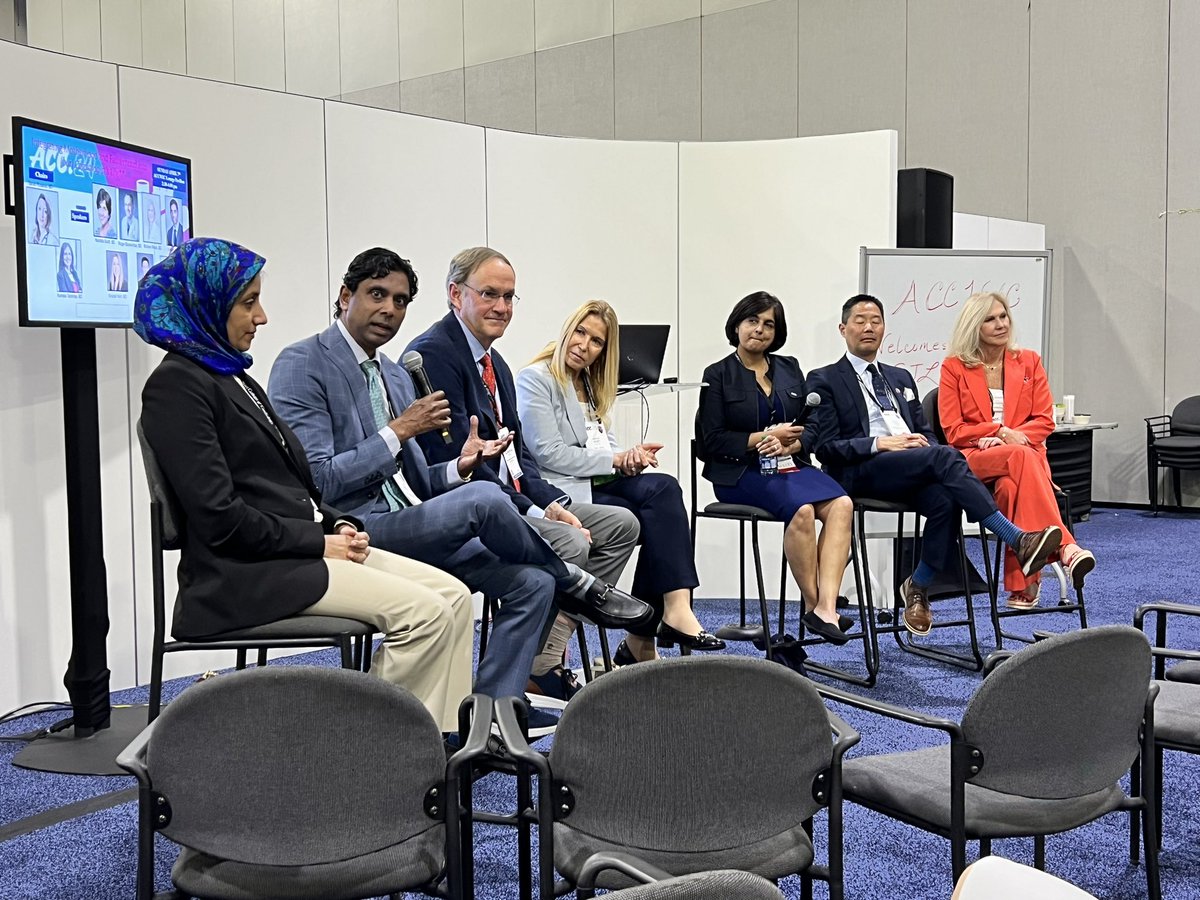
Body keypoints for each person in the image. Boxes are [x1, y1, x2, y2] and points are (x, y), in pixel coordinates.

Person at [270, 248, 652, 728]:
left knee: (531, 583)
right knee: (488, 500)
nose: (390, 309)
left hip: (411, 515)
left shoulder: (394, 371)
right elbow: (320, 481)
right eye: (376, 295)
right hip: (357, 529)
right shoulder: (303, 362)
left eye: (401, 300)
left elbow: (419, 480)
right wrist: (399, 431)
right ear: (345, 296)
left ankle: (492, 718)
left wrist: (462, 467)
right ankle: (576, 582)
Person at [133, 237, 473, 731]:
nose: (262, 316)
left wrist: (339, 525)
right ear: (204, 305)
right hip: (242, 574)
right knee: (423, 614)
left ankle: (438, 744)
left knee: (455, 597)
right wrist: (319, 541)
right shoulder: (177, 386)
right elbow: (219, 517)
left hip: (294, 552)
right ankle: (375, 753)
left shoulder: (231, 376)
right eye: (248, 303)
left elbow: (295, 486)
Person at [407, 248, 643, 690]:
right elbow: (461, 465)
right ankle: (520, 676)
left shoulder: (495, 363)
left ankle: (544, 653)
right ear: (455, 295)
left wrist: (550, 503)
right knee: (570, 543)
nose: (502, 307)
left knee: (621, 526)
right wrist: (537, 512)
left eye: (510, 297)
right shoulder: (434, 354)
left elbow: (522, 460)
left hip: (515, 497)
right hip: (469, 507)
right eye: (490, 294)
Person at [806, 294, 1063, 636]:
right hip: (864, 470)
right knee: (946, 456)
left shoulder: (899, 378)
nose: (869, 327)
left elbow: (925, 432)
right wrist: (882, 443)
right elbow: (825, 448)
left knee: (946, 496)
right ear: (843, 329)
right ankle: (1016, 538)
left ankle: (918, 587)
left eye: (876, 321)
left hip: (911, 466)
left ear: (884, 329)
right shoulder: (824, 379)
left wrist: (921, 445)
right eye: (860, 321)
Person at [517, 300, 722, 664]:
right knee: (656, 519)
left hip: (596, 479)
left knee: (664, 488)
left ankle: (674, 609)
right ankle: (645, 634)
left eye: (596, 341)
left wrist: (627, 459)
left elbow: (600, 443)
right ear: (567, 329)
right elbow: (546, 453)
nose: (584, 344)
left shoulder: (591, 385)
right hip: (561, 487)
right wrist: (612, 459)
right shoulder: (536, 378)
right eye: (580, 332)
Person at [697, 292, 855, 646]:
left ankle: (825, 607)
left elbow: (812, 425)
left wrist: (795, 443)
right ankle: (816, 606)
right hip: (739, 474)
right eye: (752, 321)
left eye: (769, 324)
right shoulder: (718, 374)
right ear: (737, 325)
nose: (760, 330)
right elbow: (710, 441)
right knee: (801, 512)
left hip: (790, 465)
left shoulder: (789, 367)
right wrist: (761, 438)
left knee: (842, 504)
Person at [939, 291, 1096, 608]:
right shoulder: (954, 367)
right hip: (973, 460)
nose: (1000, 324)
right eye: (990, 319)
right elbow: (953, 430)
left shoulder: (1028, 361)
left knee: (1011, 489)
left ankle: (1022, 587)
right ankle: (1066, 547)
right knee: (1021, 456)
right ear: (974, 326)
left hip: (1020, 459)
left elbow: (1044, 421)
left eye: (1003, 316)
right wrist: (997, 431)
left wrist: (1011, 437)